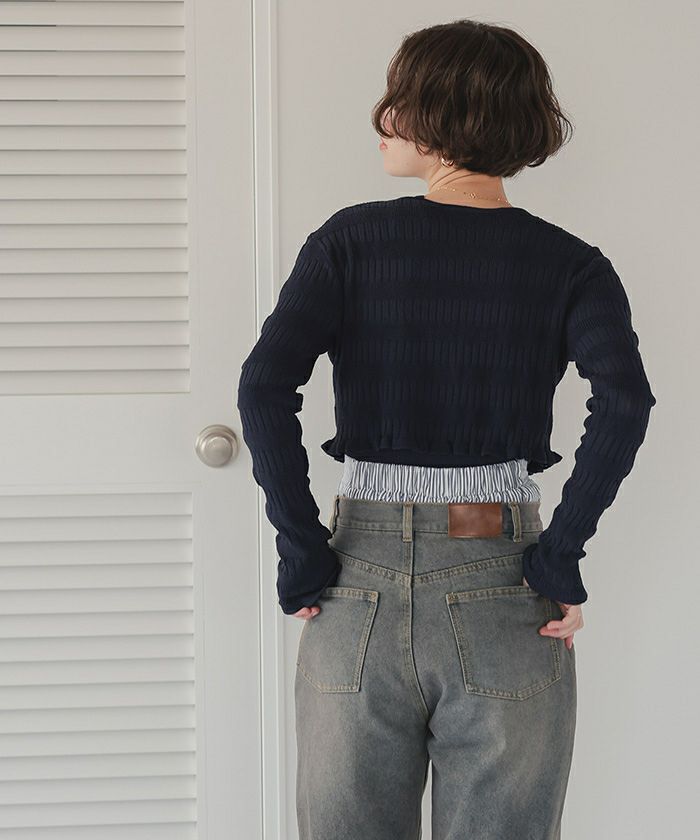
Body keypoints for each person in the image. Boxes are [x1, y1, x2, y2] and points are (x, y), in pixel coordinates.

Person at [236, 18, 656, 840]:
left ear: (438, 114)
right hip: (502, 571)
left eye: (399, 96)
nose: (384, 116)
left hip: (354, 579)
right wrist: (560, 558)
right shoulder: (571, 264)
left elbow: (262, 387)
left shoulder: (350, 242)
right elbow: (626, 402)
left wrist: (303, 549)